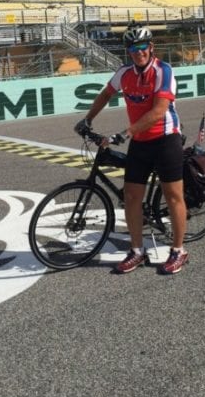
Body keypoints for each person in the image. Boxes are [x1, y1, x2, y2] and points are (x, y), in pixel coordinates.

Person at [74, 23, 188, 275]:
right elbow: (105, 94)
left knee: (173, 196)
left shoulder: (163, 71)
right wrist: (88, 119)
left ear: (151, 47)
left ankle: (179, 251)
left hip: (165, 139)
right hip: (141, 142)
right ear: (128, 51)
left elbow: (158, 111)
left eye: (142, 46)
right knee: (131, 197)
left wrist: (125, 133)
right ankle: (136, 251)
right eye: (133, 48)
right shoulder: (125, 72)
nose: (138, 52)